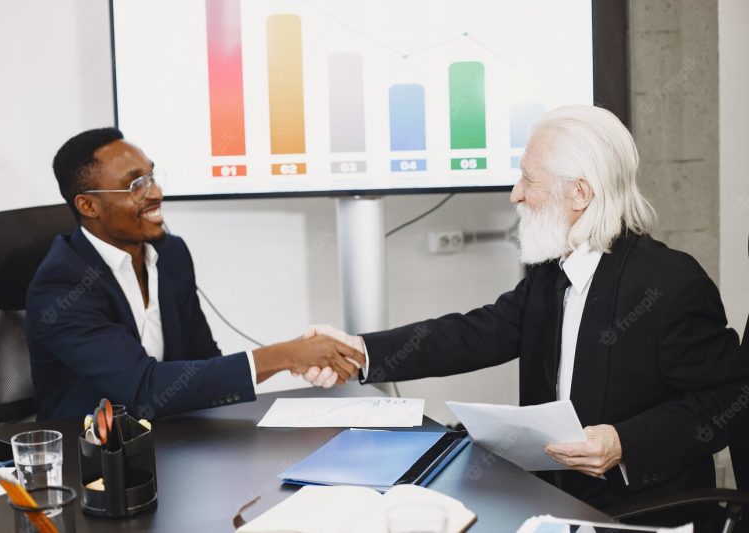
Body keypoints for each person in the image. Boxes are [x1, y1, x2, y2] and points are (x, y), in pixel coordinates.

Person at [304, 105, 749, 525]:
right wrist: (360, 351)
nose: (516, 194)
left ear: (580, 192)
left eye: (527, 179)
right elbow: (479, 332)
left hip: (637, 511)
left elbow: (728, 398)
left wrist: (623, 443)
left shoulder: (671, 282)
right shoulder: (552, 270)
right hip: (547, 498)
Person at [26, 128, 364, 420]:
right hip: (91, 462)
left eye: (152, 177)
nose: (155, 193)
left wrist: (294, 360)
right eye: (135, 186)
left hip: (172, 438)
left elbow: (203, 360)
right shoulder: (61, 285)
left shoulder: (171, 254)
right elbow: (143, 388)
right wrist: (284, 355)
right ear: (88, 206)